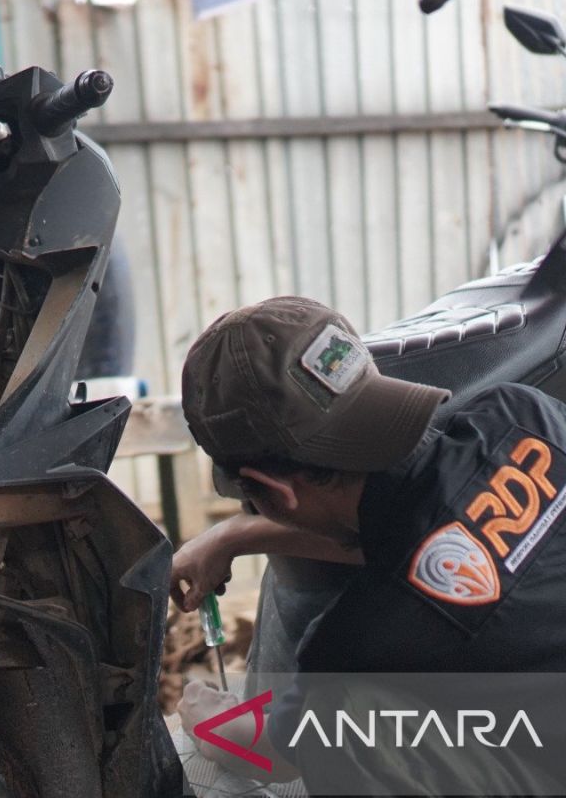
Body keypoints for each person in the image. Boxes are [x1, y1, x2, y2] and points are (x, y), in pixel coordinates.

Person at [170, 296, 566, 792]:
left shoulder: (355, 649)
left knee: (354, 729)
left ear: (272, 491)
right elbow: (438, 544)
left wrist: (209, 722)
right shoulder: (522, 411)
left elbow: (272, 755)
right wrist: (236, 534)